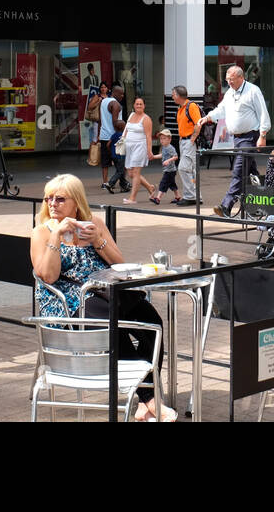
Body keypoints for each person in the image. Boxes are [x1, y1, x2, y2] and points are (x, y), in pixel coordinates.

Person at [30, 173, 171, 421]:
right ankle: (149, 398)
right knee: (113, 325)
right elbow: (48, 277)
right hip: (68, 300)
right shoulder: (42, 232)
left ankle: (145, 398)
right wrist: (56, 237)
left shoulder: (94, 223)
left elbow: (120, 264)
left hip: (106, 292)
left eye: (60, 199)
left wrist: (97, 240)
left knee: (152, 322)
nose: (52, 204)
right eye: (48, 198)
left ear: (76, 202)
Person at [200, 65, 271, 218]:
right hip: (237, 138)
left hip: (250, 137)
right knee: (250, 172)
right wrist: (208, 117)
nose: (229, 83)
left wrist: (263, 135)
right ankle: (265, 205)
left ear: (241, 77)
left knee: (239, 170)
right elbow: (222, 109)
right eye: (227, 80)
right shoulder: (230, 93)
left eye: (231, 80)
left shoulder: (252, 90)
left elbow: (263, 113)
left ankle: (227, 205)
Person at [121, 96, 158, 205]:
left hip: (140, 147)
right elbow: (126, 129)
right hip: (129, 147)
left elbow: (148, 136)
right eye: (137, 104)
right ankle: (150, 187)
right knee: (131, 173)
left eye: (141, 104)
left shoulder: (146, 119)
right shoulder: (131, 115)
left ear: (144, 106)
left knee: (136, 173)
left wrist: (149, 150)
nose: (138, 106)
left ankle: (132, 198)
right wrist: (122, 141)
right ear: (134, 105)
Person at [172, 85, 201, 205]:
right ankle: (197, 196)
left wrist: (192, 138)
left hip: (189, 141)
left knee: (183, 168)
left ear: (179, 96)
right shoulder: (181, 108)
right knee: (191, 170)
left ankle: (190, 197)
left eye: (173, 94)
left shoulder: (191, 106)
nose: (172, 96)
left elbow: (198, 123)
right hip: (183, 141)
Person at [98, 82, 126, 193]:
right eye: (121, 94)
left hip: (103, 135)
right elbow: (115, 122)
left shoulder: (104, 101)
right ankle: (120, 183)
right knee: (119, 161)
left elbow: (100, 119)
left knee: (105, 161)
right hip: (114, 136)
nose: (122, 96)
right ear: (115, 93)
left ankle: (105, 182)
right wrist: (122, 132)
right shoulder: (115, 104)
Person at [156, 129, 180, 204]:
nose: (162, 140)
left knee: (163, 183)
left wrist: (168, 161)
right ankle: (178, 197)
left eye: (164, 138)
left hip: (170, 170)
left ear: (169, 139)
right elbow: (162, 155)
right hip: (168, 170)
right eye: (161, 139)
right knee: (172, 184)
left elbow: (176, 156)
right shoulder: (164, 147)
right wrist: (153, 157)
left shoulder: (170, 148)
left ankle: (158, 198)